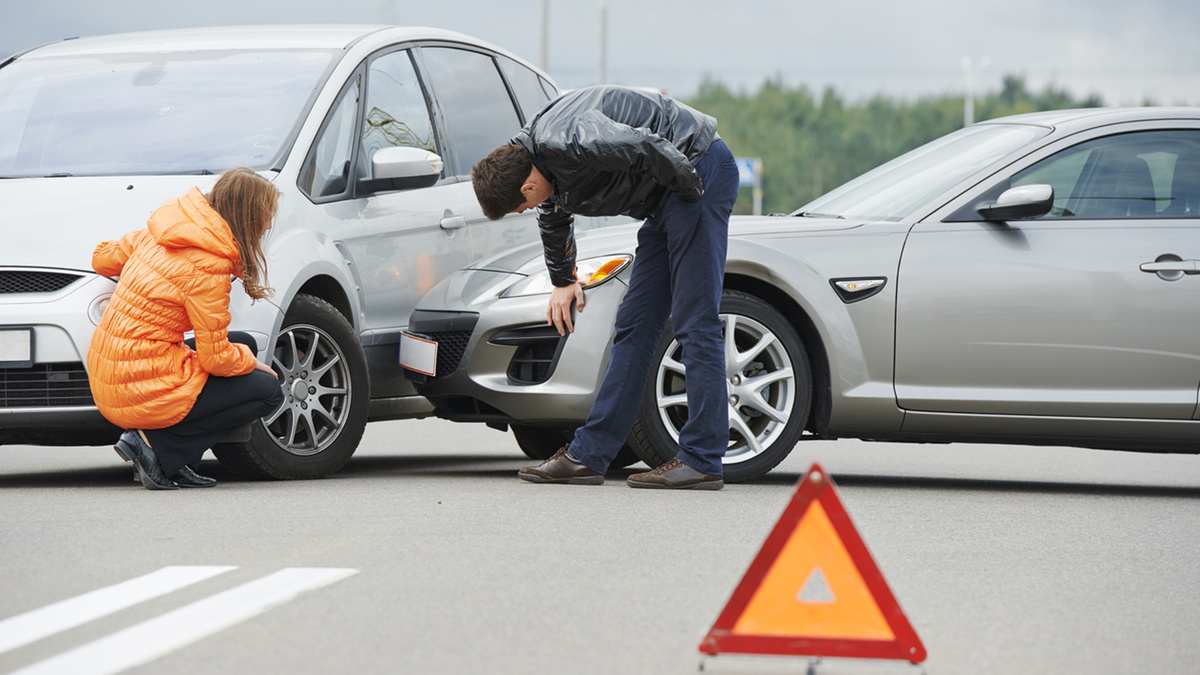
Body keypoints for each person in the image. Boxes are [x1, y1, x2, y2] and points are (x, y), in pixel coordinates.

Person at [472, 85, 739, 490]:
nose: (527, 210)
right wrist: (563, 280)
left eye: (519, 207)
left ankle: (702, 458)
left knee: (693, 318)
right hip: (668, 197)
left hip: (696, 173)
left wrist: (691, 200)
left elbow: (648, 146)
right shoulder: (537, 157)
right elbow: (554, 214)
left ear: (526, 187)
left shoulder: (571, 139)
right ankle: (589, 456)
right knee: (634, 323)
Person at [87, 167, 285, 490]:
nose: (265, 229)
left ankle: (174, 459)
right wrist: (252, 362)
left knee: (244, 341)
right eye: (265, 220)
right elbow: (216, 359)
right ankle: (158, 449)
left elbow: (101, 258)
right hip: (138, 383)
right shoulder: (210, 265)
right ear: (249, 220)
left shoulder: (166, 228)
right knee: (267, 391)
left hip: (108, 369)